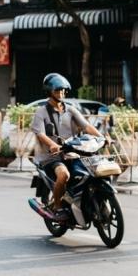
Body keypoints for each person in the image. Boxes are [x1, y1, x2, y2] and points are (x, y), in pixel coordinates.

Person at [30, 73, 108, 220]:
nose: (61, 93)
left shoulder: (70, 109)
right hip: (50, 157)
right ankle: (58, 206)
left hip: (72, 152)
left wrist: (102, 137)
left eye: (63, 90)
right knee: (63, 175)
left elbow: (87, 126)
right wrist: (53, 145)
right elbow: (40, 133)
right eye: (57, 91)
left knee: (90, 171)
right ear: (49, 92)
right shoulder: (41, 111)